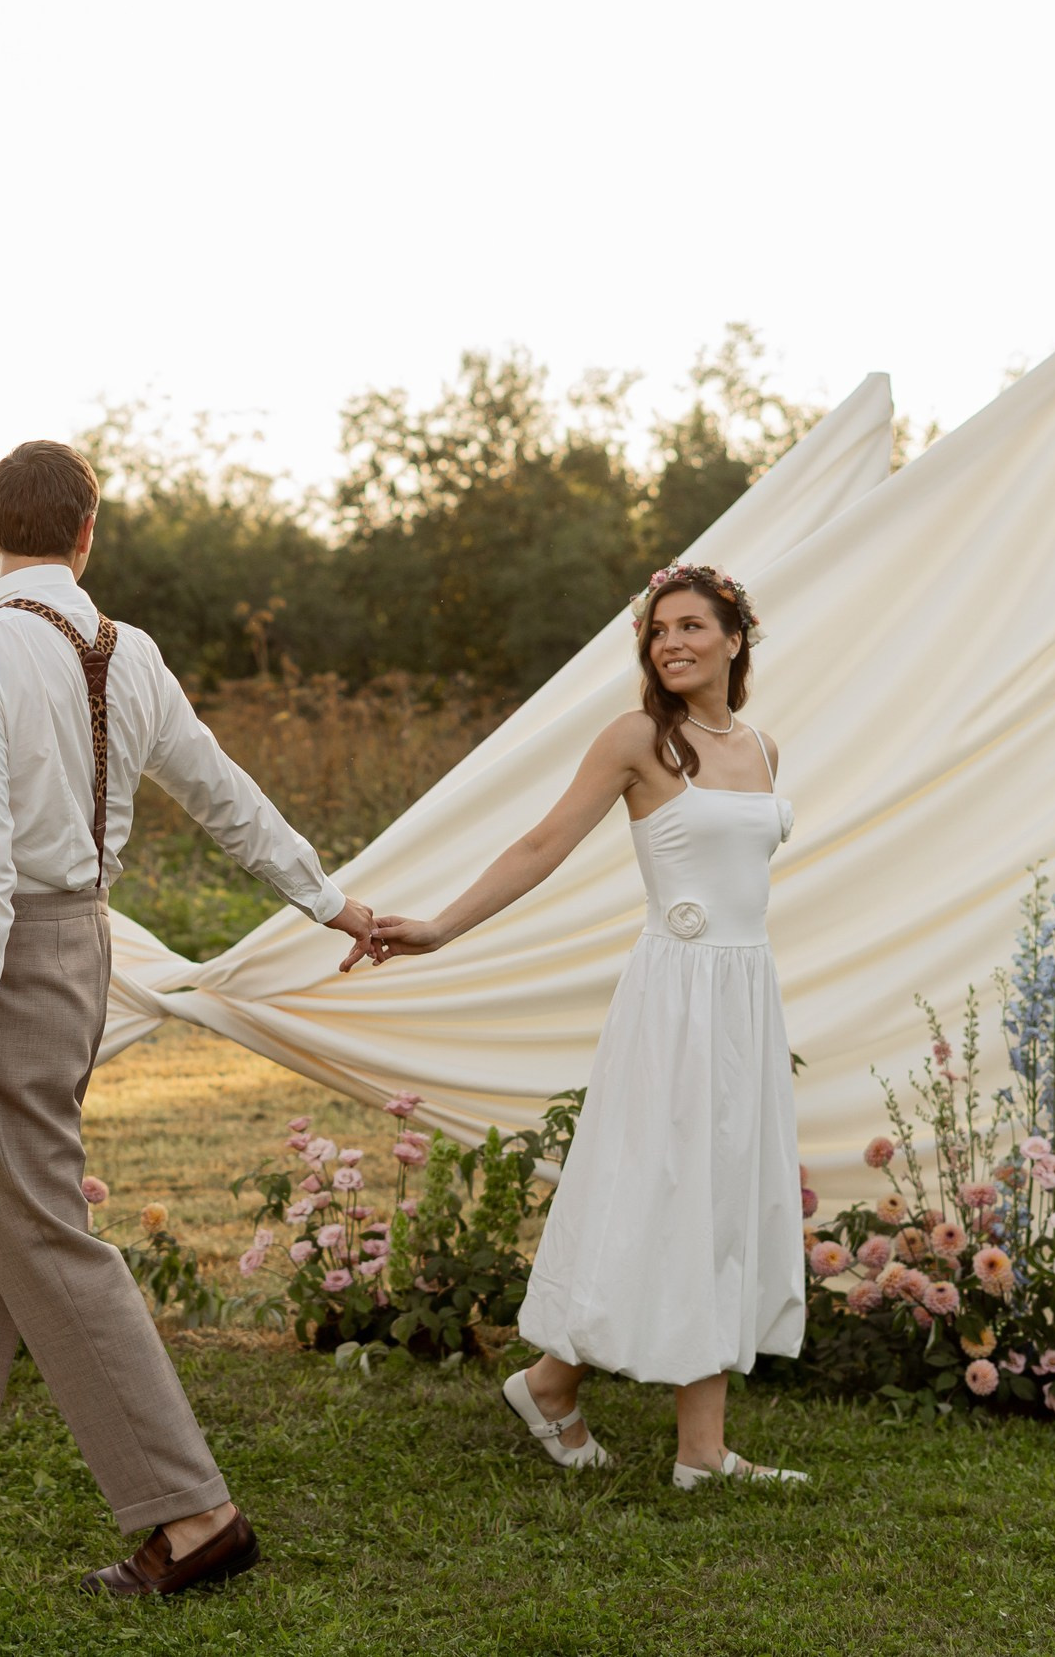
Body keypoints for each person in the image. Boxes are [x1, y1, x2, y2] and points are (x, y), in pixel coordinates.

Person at [0, 440, 381, 1592]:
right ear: (86, 533)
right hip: (78, 944)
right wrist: (329, 900)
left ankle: (196, 1518)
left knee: (45, 1235)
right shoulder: (131, 651)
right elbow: (224, 798)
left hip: (6, 960)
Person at [355, 563, 809, 1487]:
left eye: (690, 626)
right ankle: (561, 1387)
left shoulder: (764, 748)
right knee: (658, 1191)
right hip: (672, 999)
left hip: (744, 995)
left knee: (722, 1195)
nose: (671, 643)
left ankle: (691, 1445)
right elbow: (541, 843)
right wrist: (439, 928)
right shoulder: (639, 737)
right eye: (657, 630)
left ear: (735, 638)